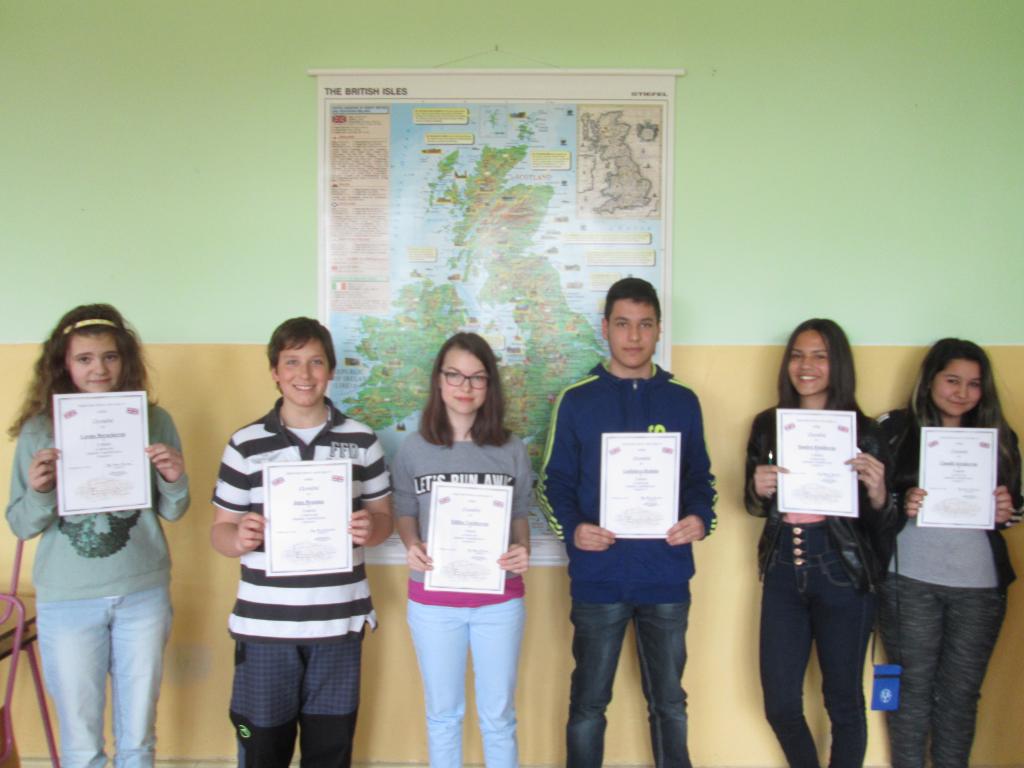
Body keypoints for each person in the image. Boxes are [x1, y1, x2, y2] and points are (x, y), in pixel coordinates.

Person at [538, 277, 716, 768]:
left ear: (658, 329)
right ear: (605, 329)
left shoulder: (683, 400)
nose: (633, 337)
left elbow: (700, 479)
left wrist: (699, 519)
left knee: (670, 703)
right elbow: (553, 483)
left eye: (644, 324)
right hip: (599, 578)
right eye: (622, 324)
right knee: (588, 704)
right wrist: (574, 530)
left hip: (666, 575)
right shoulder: (577, 400)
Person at [5, 303, 190, 768]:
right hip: (68, 599)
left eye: (110, 356)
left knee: (138, 737)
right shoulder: (40, 430)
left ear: (125, 360)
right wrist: (41, 491)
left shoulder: (154, 420)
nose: (99, 369)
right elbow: (22, 524)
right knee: (82, 741)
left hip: (142, 592)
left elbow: (174, 510)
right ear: (63, 365)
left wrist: (173, 478)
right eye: (84, 359)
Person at [210, 317, 393, 768]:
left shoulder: (362, 440)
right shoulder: (245, 444)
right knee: (262, 749)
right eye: (292, 362)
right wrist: (240, 537)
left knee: (330, 751)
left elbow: (384, 519)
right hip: (266, 627)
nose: (304, 374)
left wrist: (371, 529)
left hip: (338, 625)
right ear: (275, 371)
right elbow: (220, 530)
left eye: (315, 362)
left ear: (331, 370)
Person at [744, 318, 894, 768]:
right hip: (783, 567)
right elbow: (753, 506)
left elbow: (883, 527)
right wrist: (757, 487)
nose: (805, 365)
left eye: (819, 356)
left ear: (838, 364)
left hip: (842, 570)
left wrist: (878, 492)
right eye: (797, 355)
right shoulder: (768, 425)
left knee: (844, 702)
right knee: (780, 704)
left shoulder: (865, 431)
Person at [876, 338, 1021, 768]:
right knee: (910, 692)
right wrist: (901, 501)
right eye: (952, 380)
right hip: (908, 580)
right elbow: (868, 501)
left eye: (974, 384)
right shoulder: (894, 429)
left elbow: (1016, 507)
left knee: (960, 696)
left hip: (979, 587)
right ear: (930, 380)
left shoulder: (1000, 437)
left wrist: (1007, 510)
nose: (962, 393)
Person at [392, 332, 531, 768]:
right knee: (443, 716)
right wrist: (412, 544)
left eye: (477, 377)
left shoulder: (511, 449)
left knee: (498, 718)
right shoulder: (414, 448)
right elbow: (403, 509)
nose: (465, 387)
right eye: (455, 375)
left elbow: (520, 514)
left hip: (499, 601)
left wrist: (522, 549)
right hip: (433, 602)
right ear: (439, 380)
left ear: (490, 385)